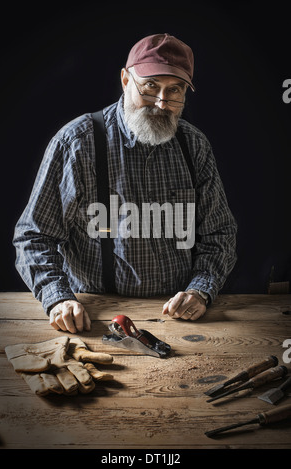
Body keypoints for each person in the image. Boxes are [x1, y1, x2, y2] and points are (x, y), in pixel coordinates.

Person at [13, 33, 237, 334]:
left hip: (177, 319)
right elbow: (33, 236)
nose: (161, 102)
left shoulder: (194, 146)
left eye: (174, 90)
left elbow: (219, 233)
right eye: (150, 86)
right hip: (93, 319)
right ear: (125, 80)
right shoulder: (77, 144)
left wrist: (200, 290)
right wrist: (58, 300)